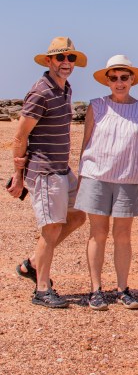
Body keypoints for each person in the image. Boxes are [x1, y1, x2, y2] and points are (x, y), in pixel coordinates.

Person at [8, 37, 88, 308]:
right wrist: (18, 176)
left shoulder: (65, 89)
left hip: (62, 169)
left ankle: (32, 264)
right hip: (43, 171)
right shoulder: (40, 91)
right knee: (51, 228)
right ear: (49, 61)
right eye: (60, 58)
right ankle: (42, 290)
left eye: (71, 58)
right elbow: (20, 137)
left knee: (77, 216)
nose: (66, 63)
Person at [75, 55, 138, 311]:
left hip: (129, 179)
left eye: (124, 77)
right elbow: (85, 143)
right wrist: (81, 175)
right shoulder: (96, 106)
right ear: (107, 81)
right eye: (114, 78)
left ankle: (122, 289)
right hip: (96, 177)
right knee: (97, 234)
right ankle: (95, 290)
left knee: (123, 235)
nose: (119, 82)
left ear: (132, 80)